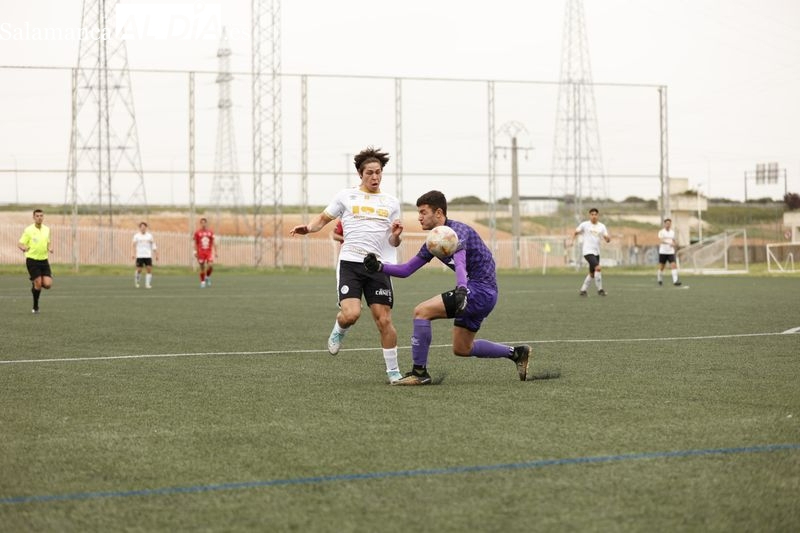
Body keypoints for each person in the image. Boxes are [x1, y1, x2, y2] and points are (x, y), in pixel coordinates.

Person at [363, 190, 531, 386]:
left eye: (423, 212)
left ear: (439, 213)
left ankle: (419, 373)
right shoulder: (435, 240)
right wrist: (379, 267)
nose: (419, 217)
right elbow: (407, 270)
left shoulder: (456, 231)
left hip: (479, 291)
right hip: (479, 293)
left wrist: (461, 289)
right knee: (462, 348)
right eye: (419, 212)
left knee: (421, 311)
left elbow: (460, 262)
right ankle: (517, 353)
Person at [289, 146, 404, 384]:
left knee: (384, 320)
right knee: (351, 314)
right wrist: (309, 228)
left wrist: (396, 235)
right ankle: (339, 329)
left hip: (378, 266)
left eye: (378, 172)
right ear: (360, 174)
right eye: (370, 173)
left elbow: (393, 241)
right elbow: (324, 218)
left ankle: (394, 373)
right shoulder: (346, 196)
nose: (375, 177)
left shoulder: (391, 202)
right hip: (351, 263)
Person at [17, 209, 53, 314]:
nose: (39, 217)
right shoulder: (28, 230)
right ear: (33, 217)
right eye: (37, 216)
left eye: (41, 215)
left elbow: (48, 242)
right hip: (32, 260)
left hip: (44, 260)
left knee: (47, 285)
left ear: (43, 217)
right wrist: (23, 248)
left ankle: (35, 285)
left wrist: (49, 248)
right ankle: (35, 306)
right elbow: (20, 243)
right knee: (38, 283)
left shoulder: (47, 229)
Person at [573, 207, 611, 297]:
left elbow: (607, 239)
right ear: (589, 215)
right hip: (587, 251)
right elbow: (576, 232)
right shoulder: (584, 225)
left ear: (598, 216)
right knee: (598, 268)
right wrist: (573, 239)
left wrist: (607, 238)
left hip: (596, 252)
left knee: (592, 274)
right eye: (592, 214)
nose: (594, 216)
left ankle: (583, 290)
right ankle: (600, 290)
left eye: (595, 214)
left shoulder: (602, 226)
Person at [132, 222, 158, 289]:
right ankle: (137, 281)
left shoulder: (149, 236)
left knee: (149, 269)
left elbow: (153, 245)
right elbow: (133, 245)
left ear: (146, 228)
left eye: (144, 227)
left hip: (148, 255)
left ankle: (147, 284)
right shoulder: (136, 236)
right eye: (141, 227)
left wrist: (156, 254)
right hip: (140, 255)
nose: (143, 228)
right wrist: (133, 254)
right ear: (140, 228)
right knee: (139, 270)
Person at [193, 217, 217, 288]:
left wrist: (216, 252)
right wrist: (195, 252)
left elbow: (214, 242)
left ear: (206, 223)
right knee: (202, 267)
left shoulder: (210, 232)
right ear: (200, 224)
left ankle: (207, 276)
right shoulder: (197, 233)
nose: (203, 224)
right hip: (201, 252)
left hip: (208, 252)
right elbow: (195, 243)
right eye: (202, 223)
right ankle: (202, 282)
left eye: (204, 222)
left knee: (210, 265)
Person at [657, 218, 682, 286]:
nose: (668, 225)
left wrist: (675, 244)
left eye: (669, 223)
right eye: (667, 223)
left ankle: (675, 281)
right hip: (663, 252)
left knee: (673, 265)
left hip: (670, 252)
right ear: (664, 224)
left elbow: (673, 241)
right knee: (662, 267)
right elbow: (661, 241)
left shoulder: (672, 232)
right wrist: (669, 243)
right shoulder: (661, 232)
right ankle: (659, 278)